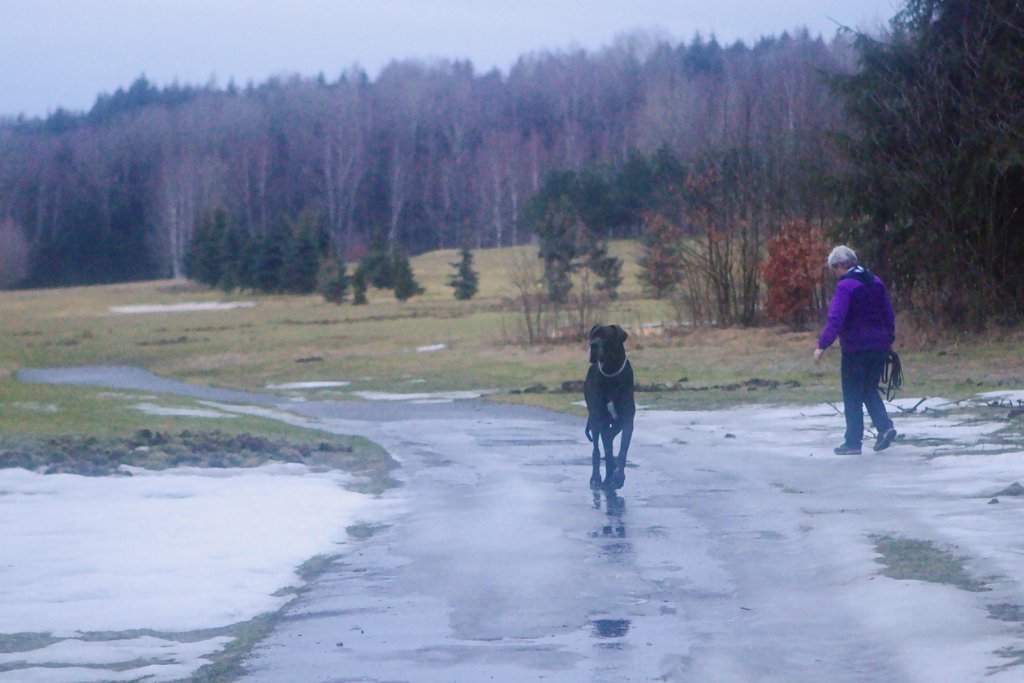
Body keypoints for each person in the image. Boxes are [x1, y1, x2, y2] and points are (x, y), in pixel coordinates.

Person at [813, 245, 898, 455]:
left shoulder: (846, 286)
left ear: (841, 265)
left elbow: (836, 319)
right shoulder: (876, 281)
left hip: (856, 348)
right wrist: (889, 339)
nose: (835, 273)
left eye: (835, 269)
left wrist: (822, 345)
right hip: (879, 345)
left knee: (852, 393)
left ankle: (852, 442)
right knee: (868, 389)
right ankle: (885, 427)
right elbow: (888, 313)